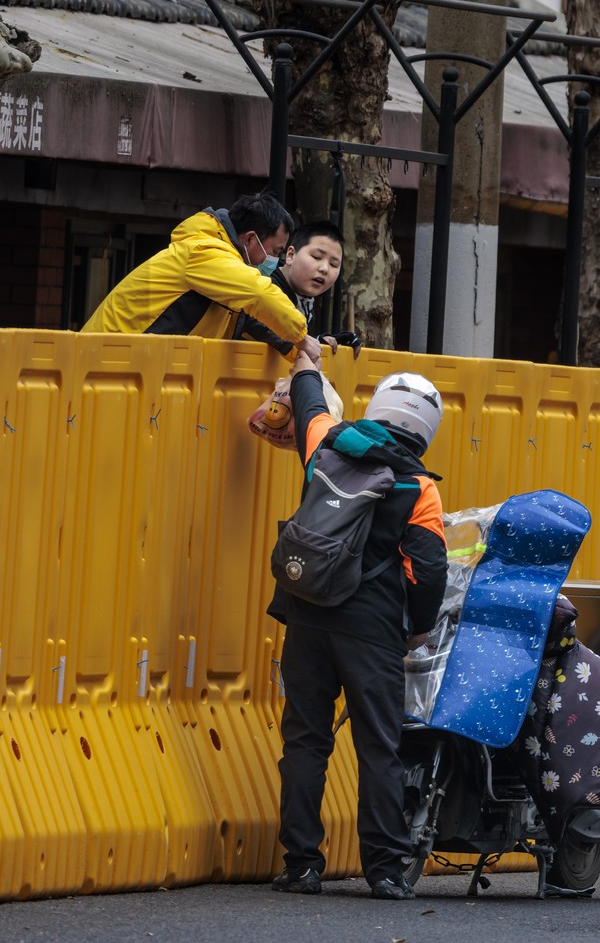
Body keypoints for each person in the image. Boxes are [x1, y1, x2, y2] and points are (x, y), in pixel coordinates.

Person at [267, 349, 449, 900]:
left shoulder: (327, 443)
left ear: (378, 405)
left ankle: (301, 865)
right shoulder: (419, 488)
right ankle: (385, 870)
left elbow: (309, 403)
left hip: (305, 611)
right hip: (369, 631)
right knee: (378, 747)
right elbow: (429, 570)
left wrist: (306, 361)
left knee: (304, 741)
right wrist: (417, 629)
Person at [81, 192, 314, 358]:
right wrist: (301, 337)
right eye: (274, 251)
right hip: (105, 361)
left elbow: (251, 321)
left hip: (117, 363)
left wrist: (302, 348)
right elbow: (258, 293)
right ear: (250, 238)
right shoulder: (203, 252)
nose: (275, 261)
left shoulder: (219, 266)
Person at [233, 219, 361, 356]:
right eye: (316, 257)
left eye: (334, 265)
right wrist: (302, 343)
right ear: (291, 255)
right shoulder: (264, 285)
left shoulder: (306, 300)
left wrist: (319, 342)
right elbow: (253, 325)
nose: (324, 269)